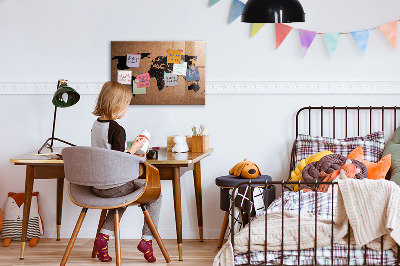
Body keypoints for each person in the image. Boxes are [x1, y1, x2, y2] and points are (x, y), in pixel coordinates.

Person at [91, 81, 161, 263]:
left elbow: (108, 154)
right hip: (114, 186)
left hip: (97, 186)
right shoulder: (117, 129)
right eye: (127, 105)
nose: (127, 109)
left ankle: (103, 238)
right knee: (156, 194)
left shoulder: (96, 125)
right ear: (118, 105)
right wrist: (135, 149)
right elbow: (118, 161)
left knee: (121, 198)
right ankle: (147, 240)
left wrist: (130, 149)